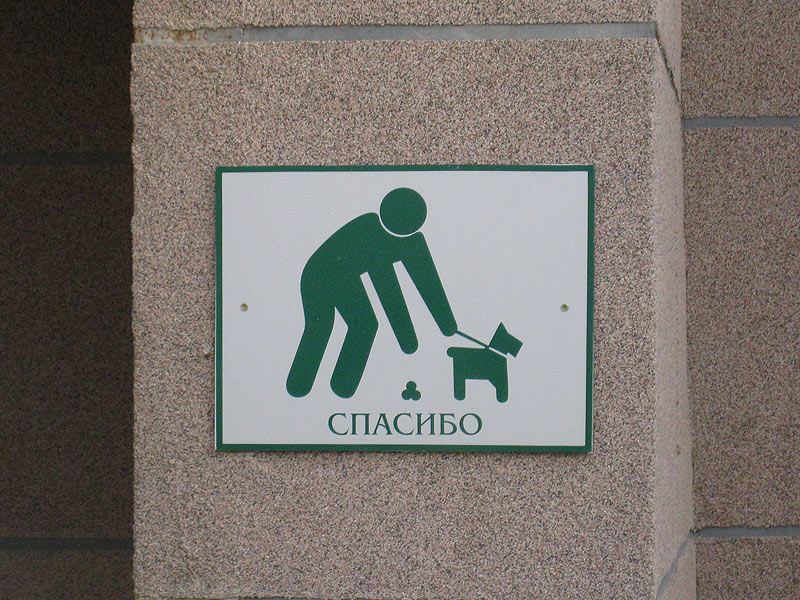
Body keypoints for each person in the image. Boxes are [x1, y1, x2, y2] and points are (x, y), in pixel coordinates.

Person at [286, 187, 457, 398]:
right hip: (319, 275)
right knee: (324, 326)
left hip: (342, 274)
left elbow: (423, 285)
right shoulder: (371, 231)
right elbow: (389, 291)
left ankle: (340, 386)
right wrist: (409, 338)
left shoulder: (396, 239)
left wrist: (445, 328)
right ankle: (303, 385)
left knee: (362, 325)